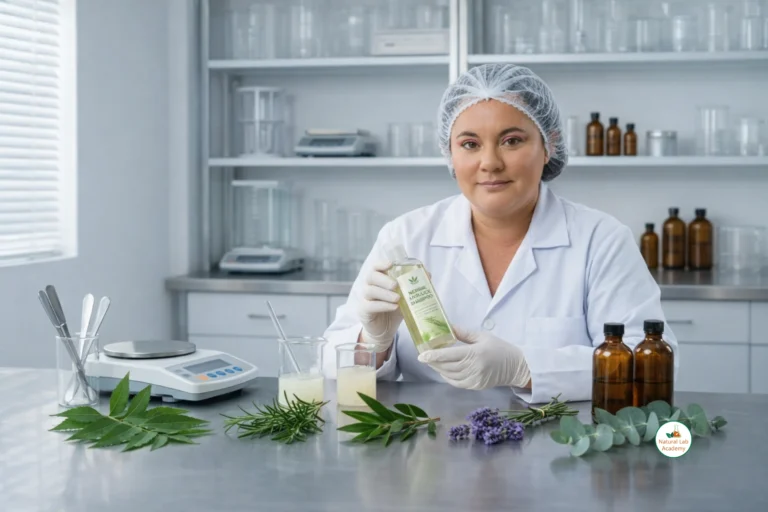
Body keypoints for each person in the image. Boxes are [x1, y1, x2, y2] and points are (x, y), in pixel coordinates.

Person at [321, 63, 678, 403]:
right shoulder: (405, 237)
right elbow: (327, 364)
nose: (489, 162)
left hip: (559, 452)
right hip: (430, 452)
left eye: (511, 140)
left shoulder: (601, 240)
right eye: (470, 144)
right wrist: (373, 340)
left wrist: (526, 369)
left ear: (548, 144)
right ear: (450, 153)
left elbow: (648, 363)